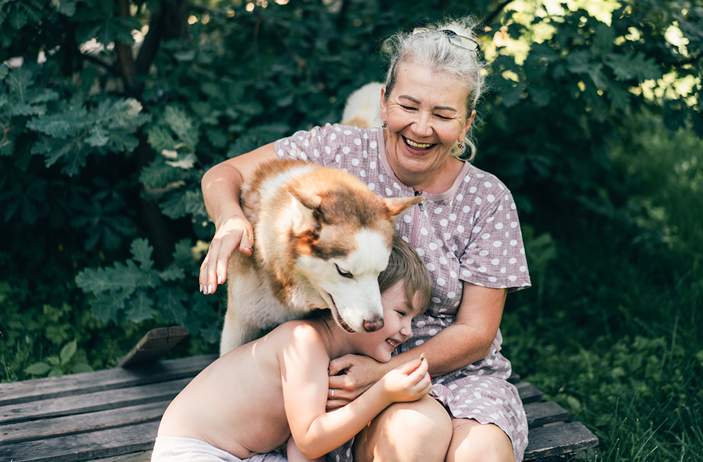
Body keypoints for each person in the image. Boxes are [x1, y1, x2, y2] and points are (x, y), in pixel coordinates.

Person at [199, 18, 531, 462]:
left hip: (458, 372)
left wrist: (384, 372)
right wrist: (231, 219)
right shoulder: (336, 150)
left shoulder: (488, 199)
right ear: (384, 100)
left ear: (467, 121)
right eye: (408, 106)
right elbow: (224, 175)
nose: (421, 127)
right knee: (412, 438)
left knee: (485, 455)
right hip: (348, 373)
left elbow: (475, 332)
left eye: (443, 114)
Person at [155, 238, 434, 462]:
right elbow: (310, 440)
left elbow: (301, 448)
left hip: (247, 454)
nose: (408, 330)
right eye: (401, 312)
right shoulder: (304, 341)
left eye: (412, 319)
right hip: (193, 450)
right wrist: (382, 393)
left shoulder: (333, 361)